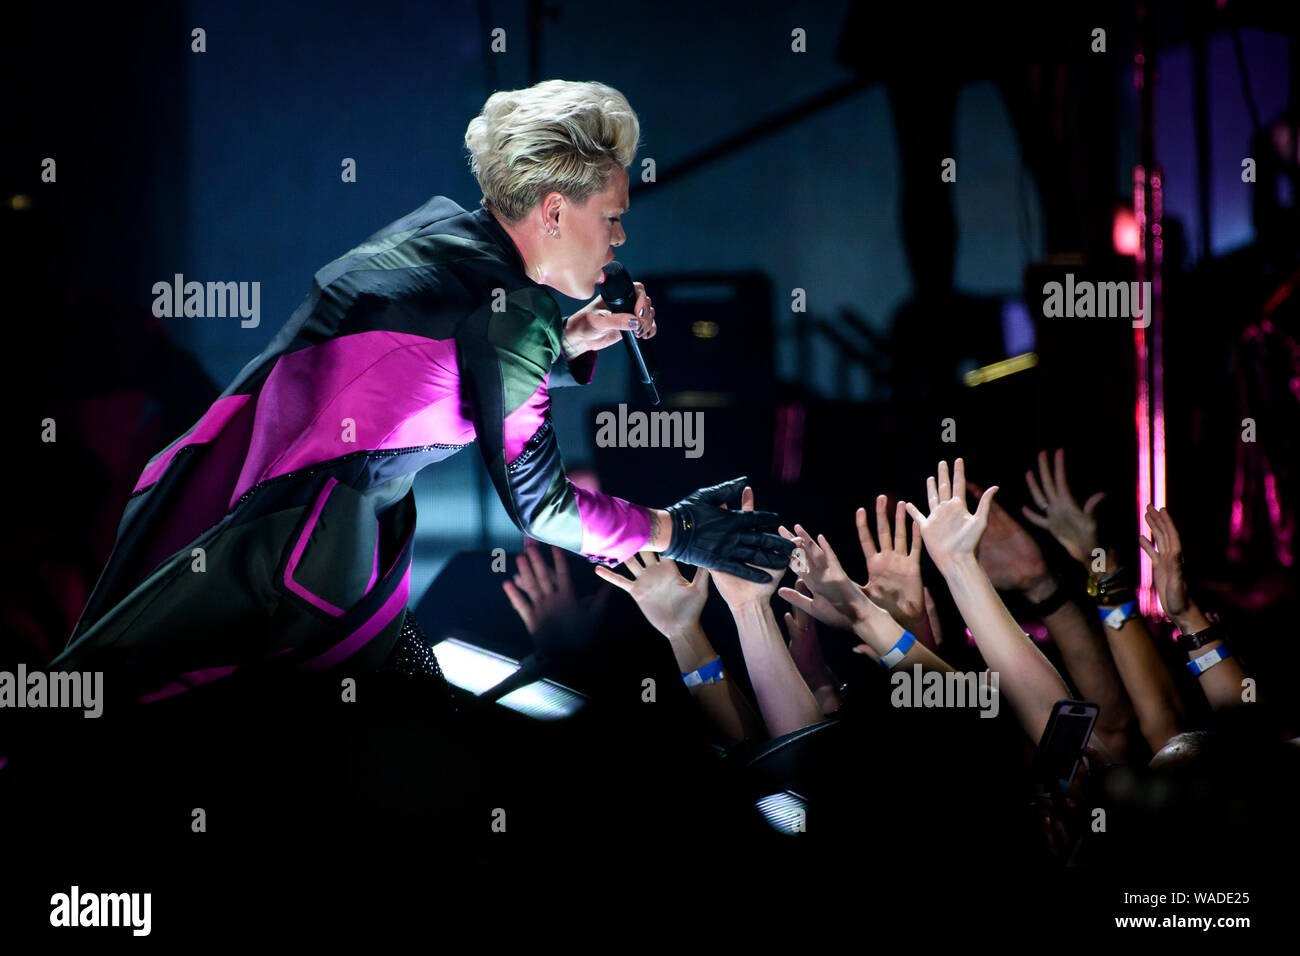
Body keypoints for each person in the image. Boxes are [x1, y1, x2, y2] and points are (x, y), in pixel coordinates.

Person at [47, 79, 792, 702]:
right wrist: (682, 532)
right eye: (614, 219)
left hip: (268, 518)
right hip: (301, 564)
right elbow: (546, 510)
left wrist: (563, 344)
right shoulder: (515, 317)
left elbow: (427, 359)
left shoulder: (441, 236)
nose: (620, 241)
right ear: (557, 212)